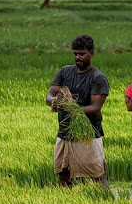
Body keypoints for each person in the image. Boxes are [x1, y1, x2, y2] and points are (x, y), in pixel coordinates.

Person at [46, 35, 110, 189]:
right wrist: (56, 102)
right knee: (63, 173)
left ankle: (107, 203)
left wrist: (72, 108)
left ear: (91, 53)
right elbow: (49, 96)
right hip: (65, 132)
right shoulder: (65, 72)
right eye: (75, 53)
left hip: (88, 134)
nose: (77, 57)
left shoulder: (98, 78)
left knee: (97, 176)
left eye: (81, 53)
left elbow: (95, 107)